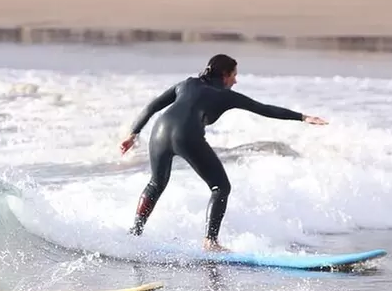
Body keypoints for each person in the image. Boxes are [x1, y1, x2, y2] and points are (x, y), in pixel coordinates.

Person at [119, 54, 328, 252]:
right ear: (225, 75)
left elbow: (153, 106)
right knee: (221, 187)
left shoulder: (186, 84)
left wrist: (133, 134)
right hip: (187, 135)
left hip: (159, 130)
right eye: (234, 75)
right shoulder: (226, 96)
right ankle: (210, 241)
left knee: (156, 184)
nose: (235, 81)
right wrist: (302, 117)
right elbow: (264, 108)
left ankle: (135, 233)